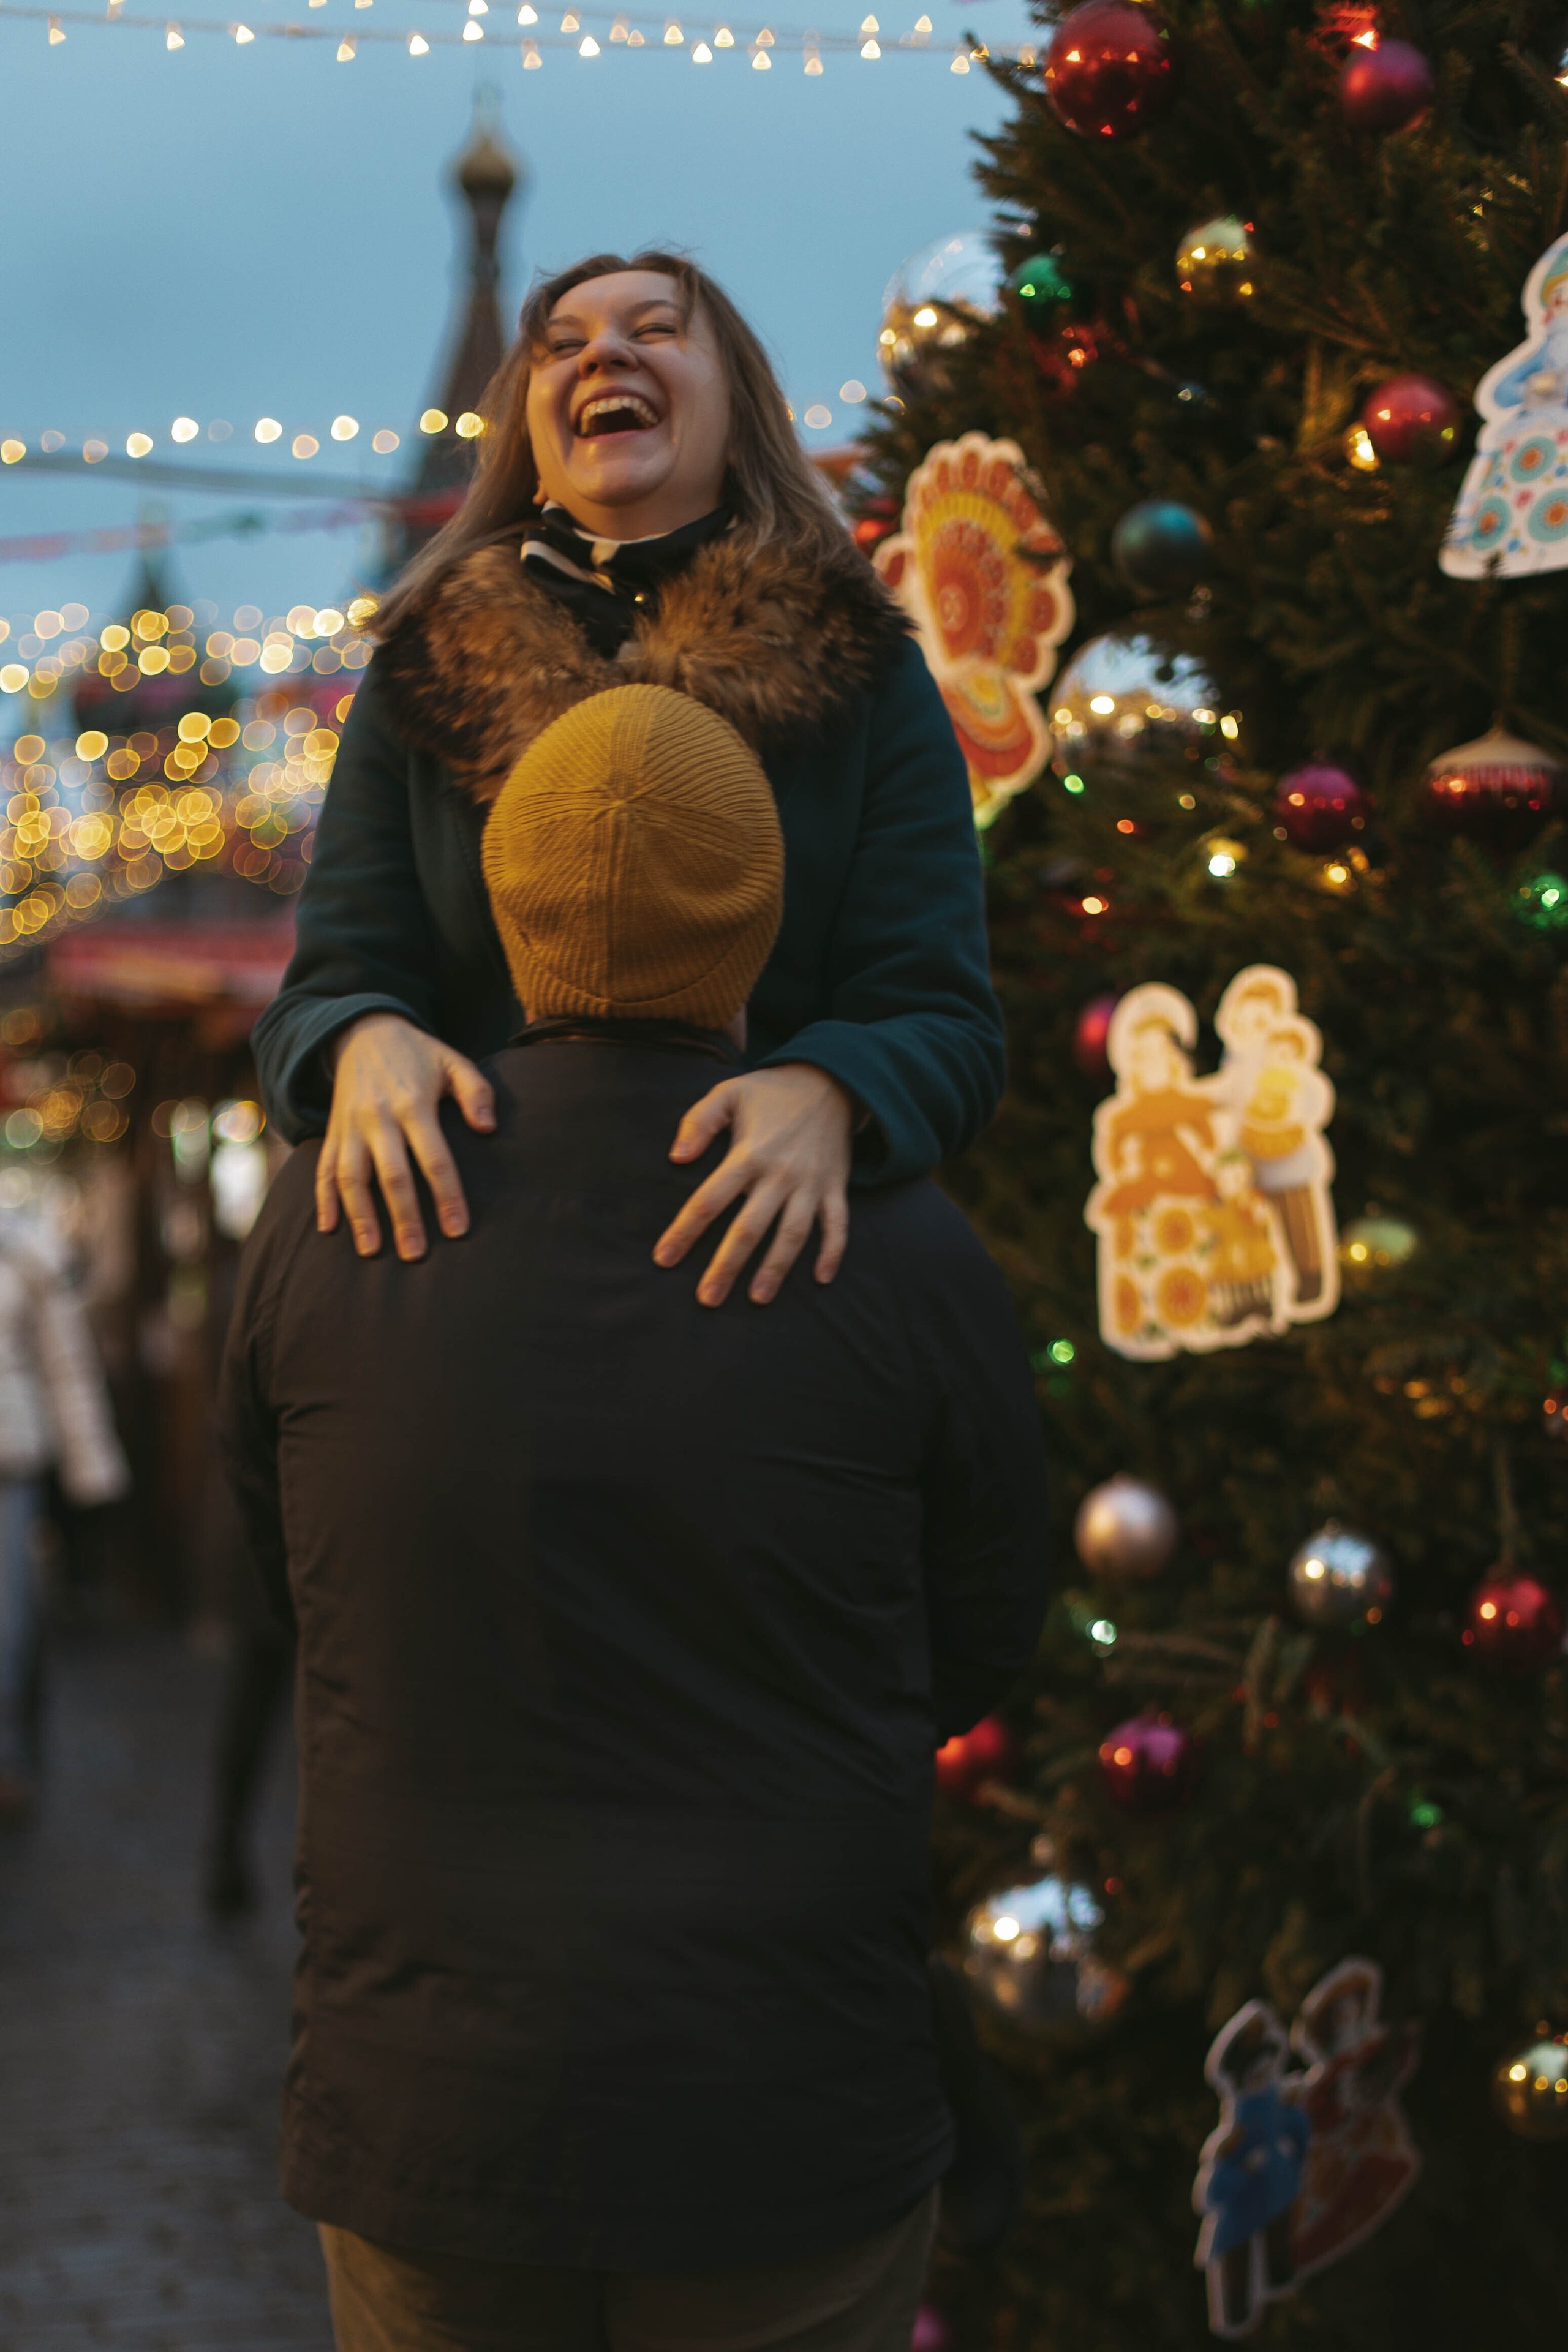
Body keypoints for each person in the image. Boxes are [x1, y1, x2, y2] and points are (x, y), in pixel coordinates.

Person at [219, 680, 1049, 2352]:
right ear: (762, 907)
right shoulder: (902, 1244)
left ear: (504, 911)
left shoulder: (331, 1218)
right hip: (783, 2093)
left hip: (429, 2096)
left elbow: (290, 1586)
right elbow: (981, 1628)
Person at [251, 251, 1005, 1308]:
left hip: (767, 1285)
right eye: (563, 345)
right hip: (482, 1277)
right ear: (530, 434)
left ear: (738, 407)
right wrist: (359, 1038)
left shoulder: (865, 668)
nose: (603, 350)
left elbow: (944, 1020)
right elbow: (320, 993)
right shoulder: (422, 672)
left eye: (655, 330)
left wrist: (839, 1088)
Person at [0, 1210, 129, 1820]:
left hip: (8, 1466)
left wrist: (91, 1467)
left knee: (10, 1623)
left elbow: (67, 1367)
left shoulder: (23, 1249)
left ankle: (8, 1759)